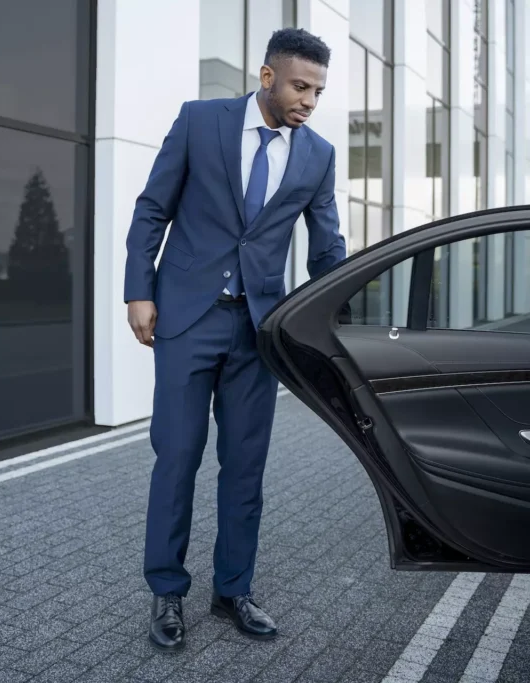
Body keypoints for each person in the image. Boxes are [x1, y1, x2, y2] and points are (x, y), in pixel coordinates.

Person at [123, 27, 346, 650]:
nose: (309, 100)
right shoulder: (200, 122)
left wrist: (335, 321)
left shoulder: (317, 154)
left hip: (258, 331)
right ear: (267, 76)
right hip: (187, 320)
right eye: (301, 86)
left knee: (245, 469)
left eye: (319, 91)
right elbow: (152, 209)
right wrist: (138, 291)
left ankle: (233, 591)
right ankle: (167, 593)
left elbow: (327, 248)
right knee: (177, 459)